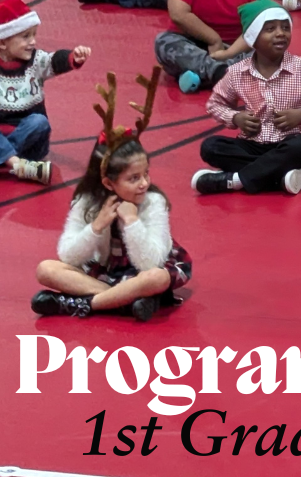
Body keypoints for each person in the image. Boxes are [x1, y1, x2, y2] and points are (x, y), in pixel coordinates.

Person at [32, 69, 191, 322]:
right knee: (46, 269)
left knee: (156, 278)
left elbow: (150, 263)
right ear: (107, 182)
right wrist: (96, 226)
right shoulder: (86, 201)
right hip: (106, 272)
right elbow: (68, 256)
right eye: (133, 178)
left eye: (145, 174)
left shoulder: (153, 201)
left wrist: (132, 222)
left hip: (142, 270)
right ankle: (126, 302)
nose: (144, 184)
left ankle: (80, 304)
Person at [192, 0, 301, 195]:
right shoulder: (237, 72)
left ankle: (235, 180)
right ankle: (278, 177)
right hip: (251, 144)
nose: (280, 34)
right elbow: (215, 104)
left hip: (289, 144)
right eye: (270, 29)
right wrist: (236, 118)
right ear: (253, 38)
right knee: (211, 146)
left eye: (285, 27)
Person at [0, 0, 90, 184]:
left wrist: (74, 57)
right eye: (25, 37)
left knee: (39, 122)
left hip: (31, 143)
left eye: (34, 35)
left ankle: (8, 160)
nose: (33, 42)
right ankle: (18, 165)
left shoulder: (35, 62)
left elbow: (53, 60)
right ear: (2, 43)